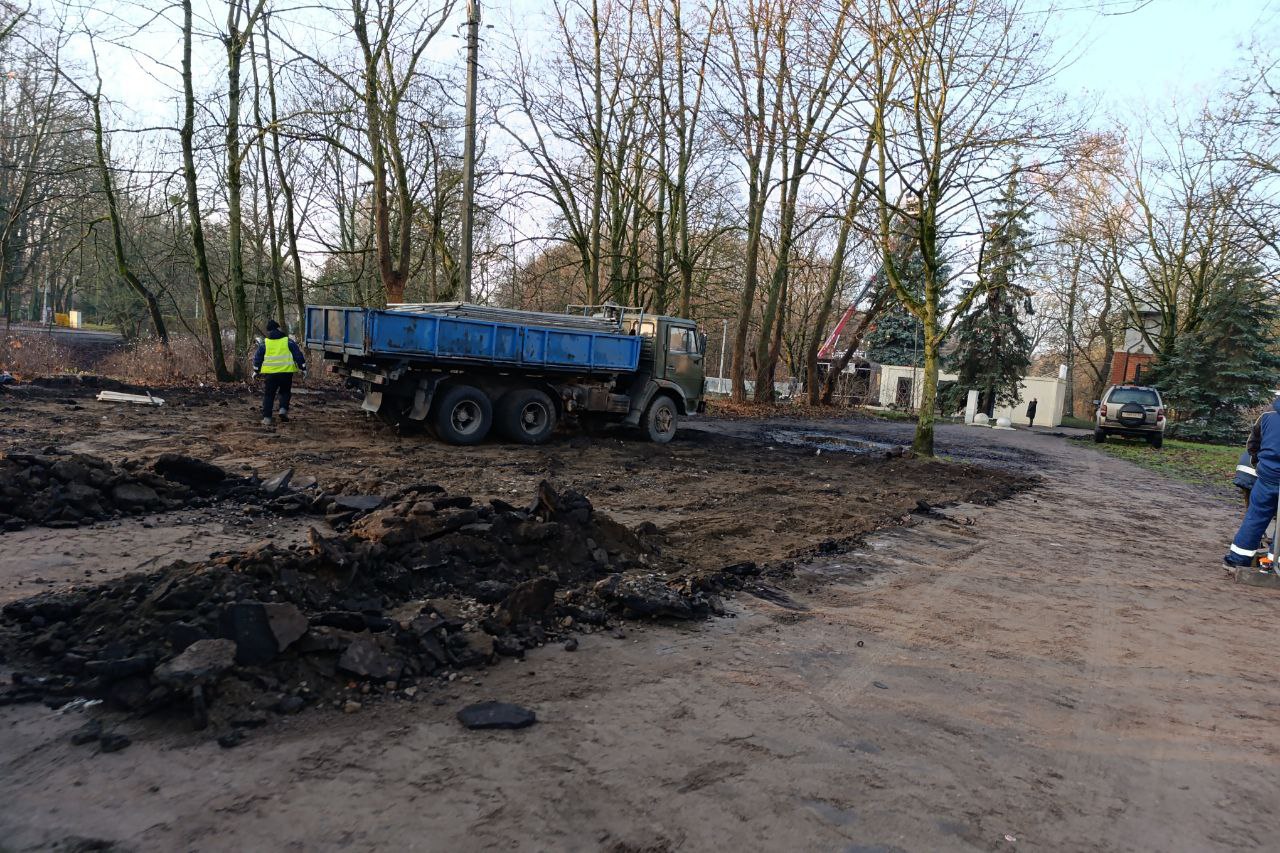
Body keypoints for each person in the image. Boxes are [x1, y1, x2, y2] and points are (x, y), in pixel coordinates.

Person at [1224, 397, 1280, 572]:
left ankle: (1236, 560)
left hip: (1266, 477)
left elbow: (1253, 444)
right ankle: (1274, 564)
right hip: (1268, 475)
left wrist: (1260, 465)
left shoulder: (1268, 415)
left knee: (1255, 517)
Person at [253, 320, 306, 427]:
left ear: (268, 331)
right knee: (285, 392)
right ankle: (283, 410)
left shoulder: (265, 343)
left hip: (270, 374)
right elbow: (298, 355)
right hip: (286, 372)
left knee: (269, 395)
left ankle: (267, 418)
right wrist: (303, 368)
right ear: (278, 328)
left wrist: (256, 371)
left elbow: (257, 358)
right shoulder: (288, 341)